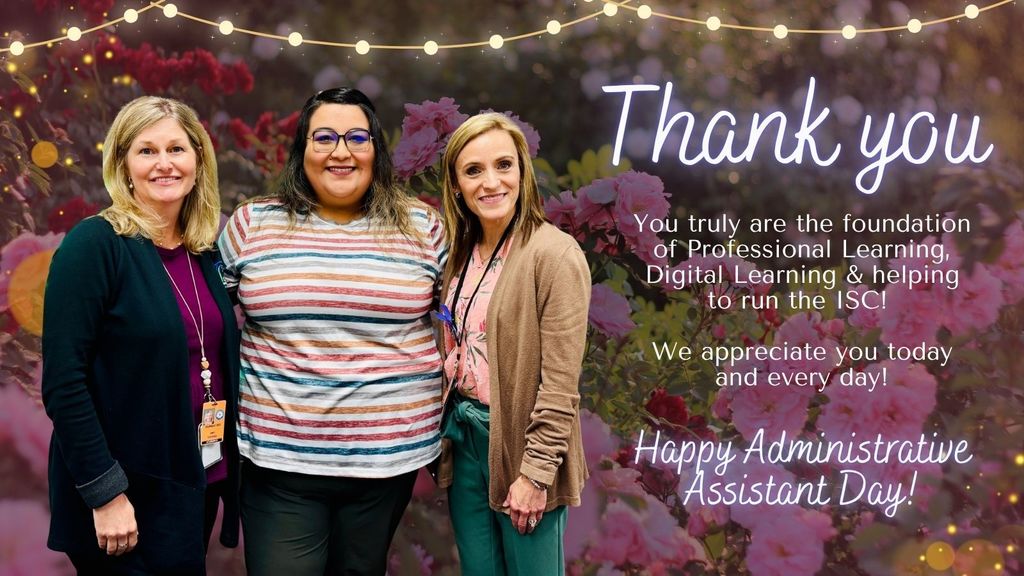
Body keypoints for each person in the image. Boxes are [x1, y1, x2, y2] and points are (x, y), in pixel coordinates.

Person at [217, 87, 446, 576]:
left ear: (375, 151)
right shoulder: (252, 225)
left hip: (387, 462)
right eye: (324, 137)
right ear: (302, 151)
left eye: (357, 137)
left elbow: (465, 320)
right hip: (280, 465)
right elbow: (202, 320)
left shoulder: (422, 226)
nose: (341, 151)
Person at [42, 96, 241, 575]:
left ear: (198, 160)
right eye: (146, 151)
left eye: (176, 148)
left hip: (191, 481)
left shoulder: (203, 252)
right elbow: (64, 382)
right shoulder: (95, 245)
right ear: (123, 165)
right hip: (126, 491)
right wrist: (105, 492)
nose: (164, 163)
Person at [435, 112, 591, 575]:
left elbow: (561, 384)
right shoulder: (461, 253)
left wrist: (535, 474)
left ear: (522, 171)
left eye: (503, 165)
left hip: (522, 450)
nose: (491, 182)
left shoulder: (554, 254)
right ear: (457, 184)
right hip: (465, 441)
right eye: (473, 170)